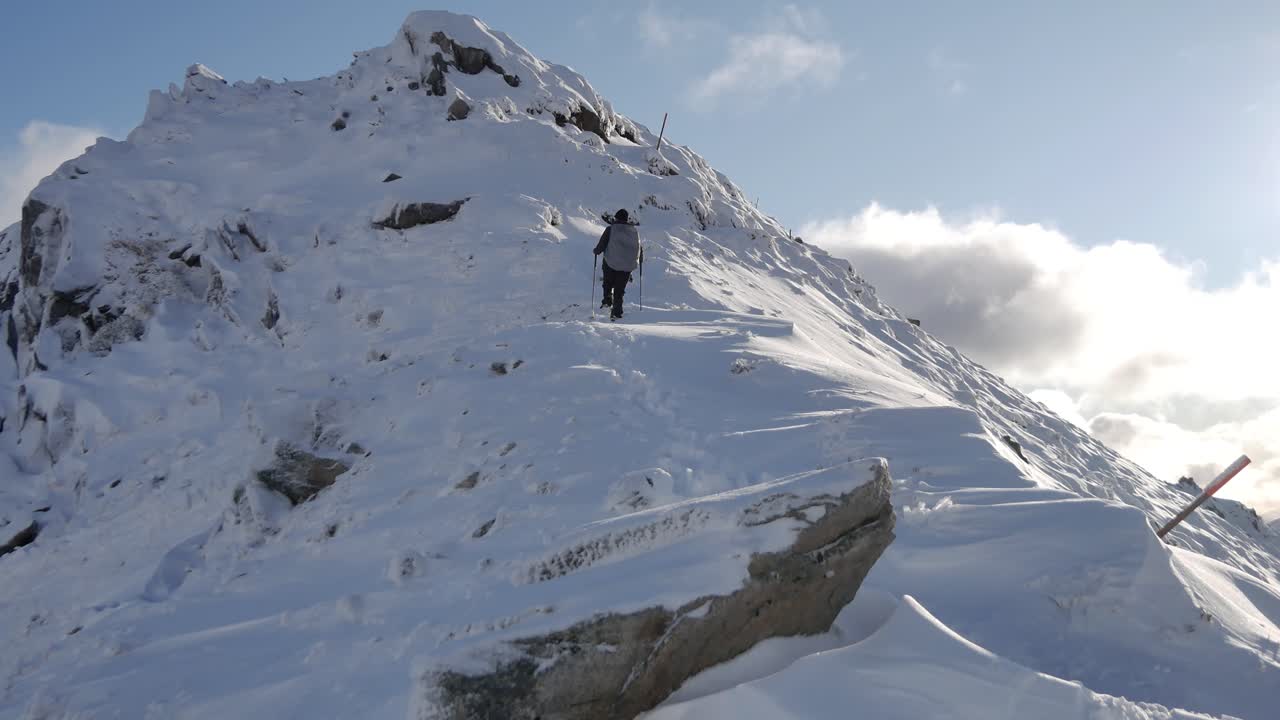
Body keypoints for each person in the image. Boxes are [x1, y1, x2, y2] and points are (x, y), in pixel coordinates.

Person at [593, 208, 642, 320]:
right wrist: (640, 260)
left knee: (608, 283)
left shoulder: (611, 229)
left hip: (611, 263)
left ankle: (607, 301)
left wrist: (596, 251)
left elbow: (602, 245)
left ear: (616, 218)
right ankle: (617, 312)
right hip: (627, 267)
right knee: (619, 290)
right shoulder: (634, 232)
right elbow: (639, 247)